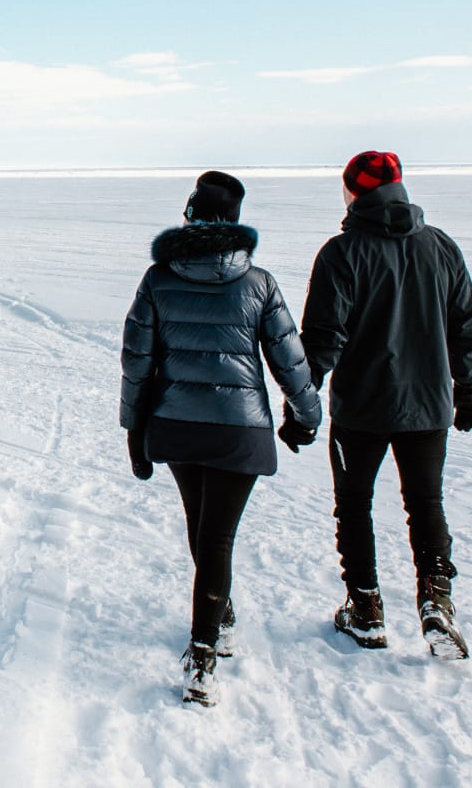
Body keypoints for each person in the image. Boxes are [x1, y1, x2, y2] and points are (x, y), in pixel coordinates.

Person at [120, 170, 322, 706]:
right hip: (239, 428)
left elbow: (137, 360)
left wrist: (134, 428)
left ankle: (214, 625)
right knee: (217, 536)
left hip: (178, 423)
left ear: (190, 216)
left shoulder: (159, 278)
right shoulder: (258, 283)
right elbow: (288, 356)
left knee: (202, 527)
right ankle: (207, 645)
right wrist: (307, 414)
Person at [300, 151, 472, 660]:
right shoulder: (441, 246)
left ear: (351, 193)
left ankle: (365, 609)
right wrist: (465, 389)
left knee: (355, 504)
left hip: (362, 408)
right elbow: (464, 324)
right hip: (428, 406)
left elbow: (321, 338)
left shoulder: (342, 253)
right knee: (425, 502)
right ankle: (436, 600)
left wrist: (301, 400)